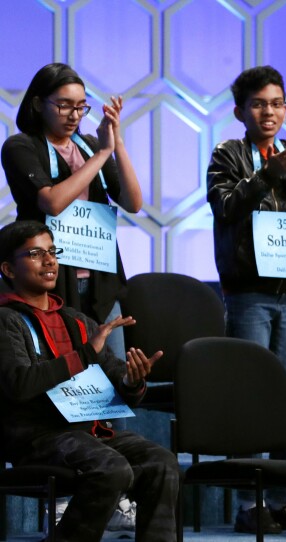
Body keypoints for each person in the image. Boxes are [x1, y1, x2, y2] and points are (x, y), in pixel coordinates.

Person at [1, 62, 145, 531]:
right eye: (64, 104)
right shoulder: (21, 147)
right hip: (54, 286)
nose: (73, 114)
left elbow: (135, 202)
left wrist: (114, 142)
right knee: (60, 386)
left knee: (107, 391)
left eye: (80, 105)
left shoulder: (89, 144)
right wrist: (100, 156)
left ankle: (116, 495)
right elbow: (52, 202)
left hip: (100, 282)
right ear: (38, 103)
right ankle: (70, 492)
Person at [206, 65, 286, 534]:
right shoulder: (228, 154)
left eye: (277, 103)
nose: (270, 111)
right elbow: (226, 206)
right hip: (248, 295)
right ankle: (248, 504)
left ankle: (282, 500)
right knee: (250, 400)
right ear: (241, 111)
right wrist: (268, 173)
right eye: (260, 104)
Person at [0, 220, 178, 542]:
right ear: (8, 269)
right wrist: (84, 356)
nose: (50, 261)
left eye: (53, 252)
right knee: (112, 468)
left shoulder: (76, 321)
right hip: (38, 437)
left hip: (89, 433)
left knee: (161, 461)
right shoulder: (6, 320)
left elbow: (118, 385)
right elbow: (20, 383)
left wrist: (132, 382)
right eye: (36, 253)